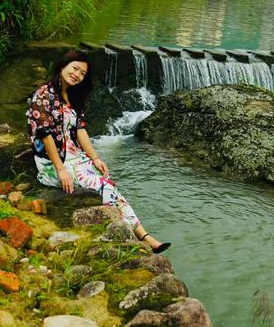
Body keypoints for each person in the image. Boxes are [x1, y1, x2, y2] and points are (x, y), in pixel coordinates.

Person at [27, 49, 170, 253]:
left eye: (82, 73)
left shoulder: (73, 96)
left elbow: (81, 129)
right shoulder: (44, 95)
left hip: (76, 157)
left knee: (109, 183)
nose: (77, 75)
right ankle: (142, 237)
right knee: (105, 188)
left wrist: (95, 158)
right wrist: (60, 170)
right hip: (54, 162)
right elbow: (45, 135)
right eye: (74, 68)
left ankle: (139, 234)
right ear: (62, 66)